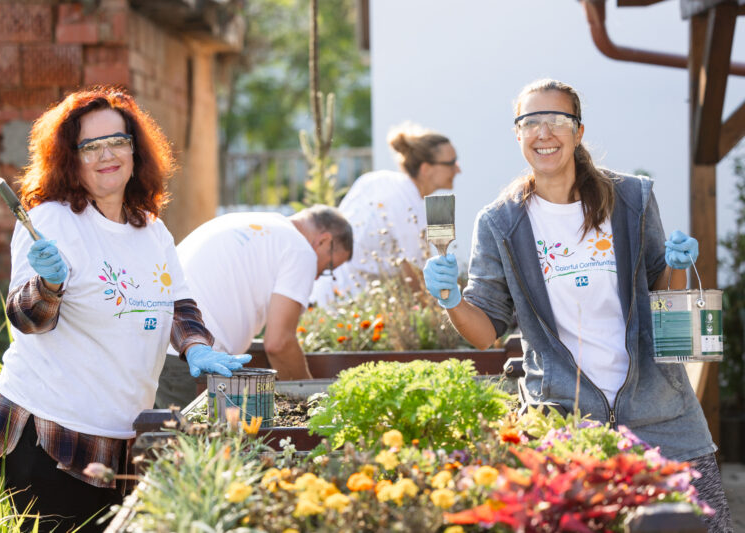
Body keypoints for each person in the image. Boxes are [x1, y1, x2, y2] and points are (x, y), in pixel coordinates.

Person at [423, 79, 732, 532]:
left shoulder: (632, 199)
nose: (543, 132)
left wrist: (676, 264)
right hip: (567, 426)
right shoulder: (500, 221)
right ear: (517, 134)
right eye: (530, 121)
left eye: (557, 120)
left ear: (578, 132)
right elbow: (486, 327)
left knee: (705, 528)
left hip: (662, 415)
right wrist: (451, 299)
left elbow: (661, 292)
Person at [0, 87, 250, 532]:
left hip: (121, 434)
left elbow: (179, 304)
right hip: (50, 432)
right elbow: (28, 319)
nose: (108, 155)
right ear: (70, 157)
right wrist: (49, 284)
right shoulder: (51, 220)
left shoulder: (152, 229)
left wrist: (196, 347)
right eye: (91, 146)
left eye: (118, 141)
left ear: (135, 149)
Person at [155, 206, 353, 408]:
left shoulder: (256, 223)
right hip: (190, 359)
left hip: (156, 349)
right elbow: (279, 344)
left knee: (152, 435)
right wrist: (314, 402)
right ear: (324, 240)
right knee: (184, 438)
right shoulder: (300, 249)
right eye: (329, 268)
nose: (318, 277)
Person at [310, 122, 460, 306]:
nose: (458, 169)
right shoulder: (408, 205)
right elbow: (418, 278)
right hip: (351, 308)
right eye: (451, 163)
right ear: (426, 169)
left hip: (321, 296)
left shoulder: (376, 180)